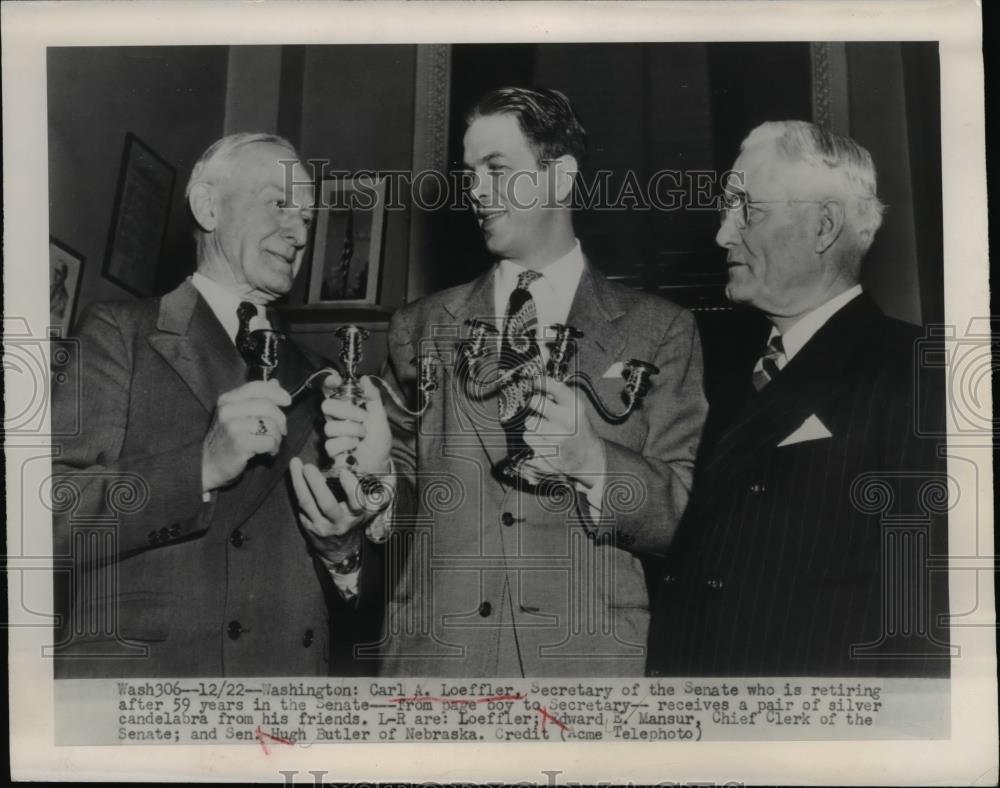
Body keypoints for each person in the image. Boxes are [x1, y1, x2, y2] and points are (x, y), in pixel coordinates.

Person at [293, 87, 708, 677]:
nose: (476, 193)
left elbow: (682, 514)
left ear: (559, 177)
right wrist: (379, 477)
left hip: (588, 666)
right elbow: (403, 501)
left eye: (496, 170)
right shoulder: (420, 325)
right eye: (470, 174)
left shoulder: (662, 330)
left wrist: (591, 461)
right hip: (437, 662)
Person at [51, 133, 376, 677]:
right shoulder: (120, 333)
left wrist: (344, 552)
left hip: (283, 702)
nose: (298, 231)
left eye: (307, 217)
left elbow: (374, 599)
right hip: (147, 689)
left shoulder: (327, 379)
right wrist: (200, 467)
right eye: (279, 203)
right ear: (207, 206)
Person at [646, 120, 950, 677]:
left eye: (747, 209)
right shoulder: (721, 371)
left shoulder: (919, 370)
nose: (722, 235)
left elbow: (924, 617)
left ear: (822, 226)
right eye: (725, 208)